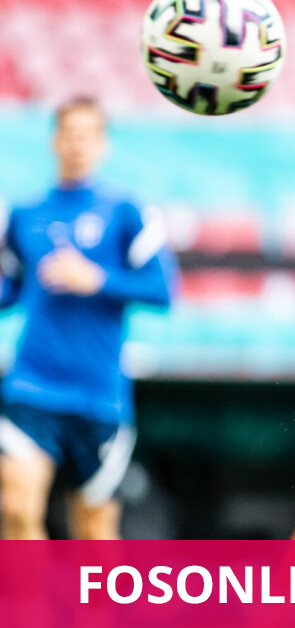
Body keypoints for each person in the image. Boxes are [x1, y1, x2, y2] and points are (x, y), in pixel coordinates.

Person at [0, 97, 178, 540]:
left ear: (102, 145)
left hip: (99, 394)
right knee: (17, 509)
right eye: (69, 135)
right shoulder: (25, 214)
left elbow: (161, 290)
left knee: (94, 531)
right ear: (54, 141)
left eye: (87, 136)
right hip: (33, 386)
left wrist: (97, 279)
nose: (77, 145)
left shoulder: (125, 212)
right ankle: (28, 592)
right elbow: (10, 290)